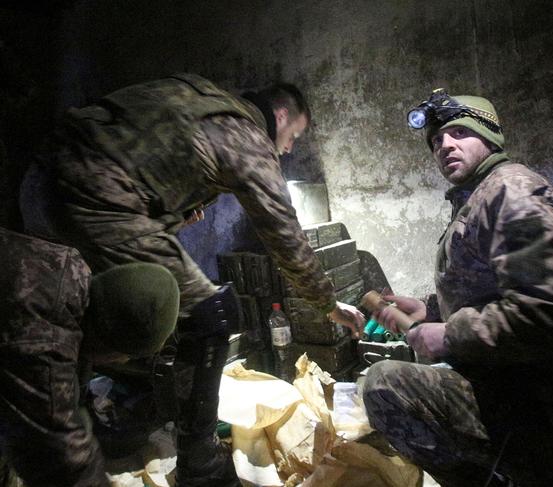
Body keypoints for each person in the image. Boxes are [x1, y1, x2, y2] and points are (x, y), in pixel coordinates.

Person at [20, 73, 365, 486]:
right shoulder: (248, 132)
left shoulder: (194, 95)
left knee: (72, 305)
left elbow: (145, 153)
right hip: (98, 197)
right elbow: (284, 233)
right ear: (280, 113)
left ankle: (90, 421)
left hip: (38, 183)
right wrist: (328, 303)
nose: (290, 147)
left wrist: (175, 210)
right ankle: (200, 461)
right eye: (294, 135)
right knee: (212, 314)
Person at [362, 90, 553, 486]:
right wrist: (430, 310)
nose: (445, 145)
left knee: (386, 386)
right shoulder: (482, 195)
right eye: (436, 141)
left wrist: (449, 336)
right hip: (524, 387)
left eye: (459, 132)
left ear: (489, 137)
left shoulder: (511, 193)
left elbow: (548, 311)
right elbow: (492, 289)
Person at [0, 226, 179, 487]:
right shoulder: (46, 340)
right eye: (125, 356)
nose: (121, 362)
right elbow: (63, 461)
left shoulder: (70, 268)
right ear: (113, 347)